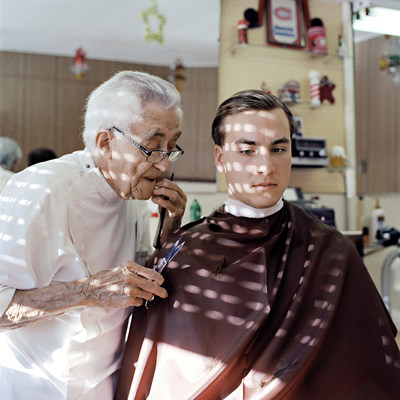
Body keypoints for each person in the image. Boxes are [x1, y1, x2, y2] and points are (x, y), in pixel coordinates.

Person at [116, 90, 400, 399]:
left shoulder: (332, 252)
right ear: (220, 158)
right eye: (248, 151)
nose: (266, 166)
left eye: (278, 148)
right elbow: (157, 376)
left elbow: (373, 367)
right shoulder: (183, 255)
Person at [0, 70, 187, 399]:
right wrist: (86, 291)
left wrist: (171, 225)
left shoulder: (133, 194)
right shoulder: (42, 190)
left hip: (109, 384)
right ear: (106, 143)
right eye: (152, 148)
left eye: (171, 148)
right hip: (39, 387)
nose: (164, 165)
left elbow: (140, 277)